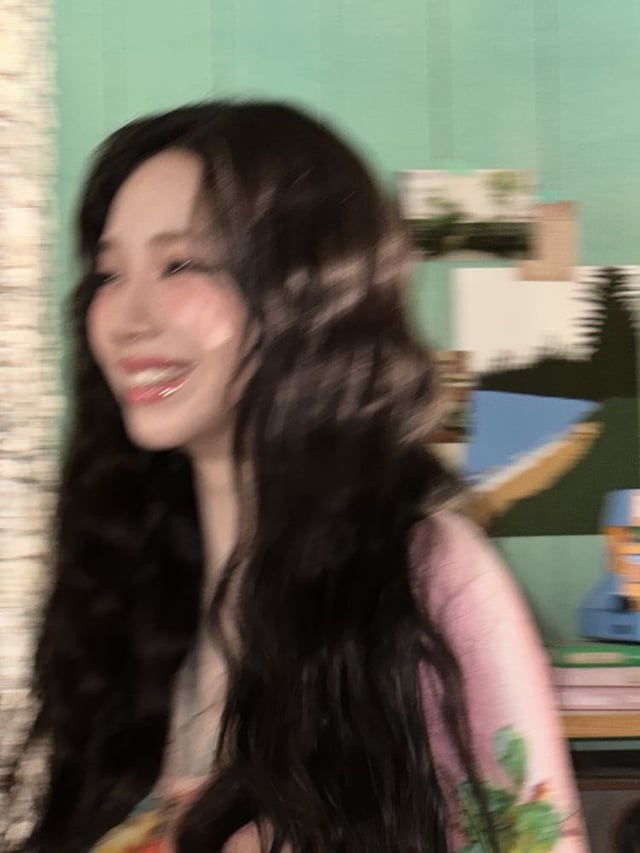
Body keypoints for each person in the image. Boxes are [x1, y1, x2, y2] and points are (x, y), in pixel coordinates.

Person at [2, 101, 587, 852]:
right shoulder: (131, 583)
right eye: (110, 273)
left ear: (307, 291)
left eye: (181, 265)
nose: (126, 317)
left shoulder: (427, 579)